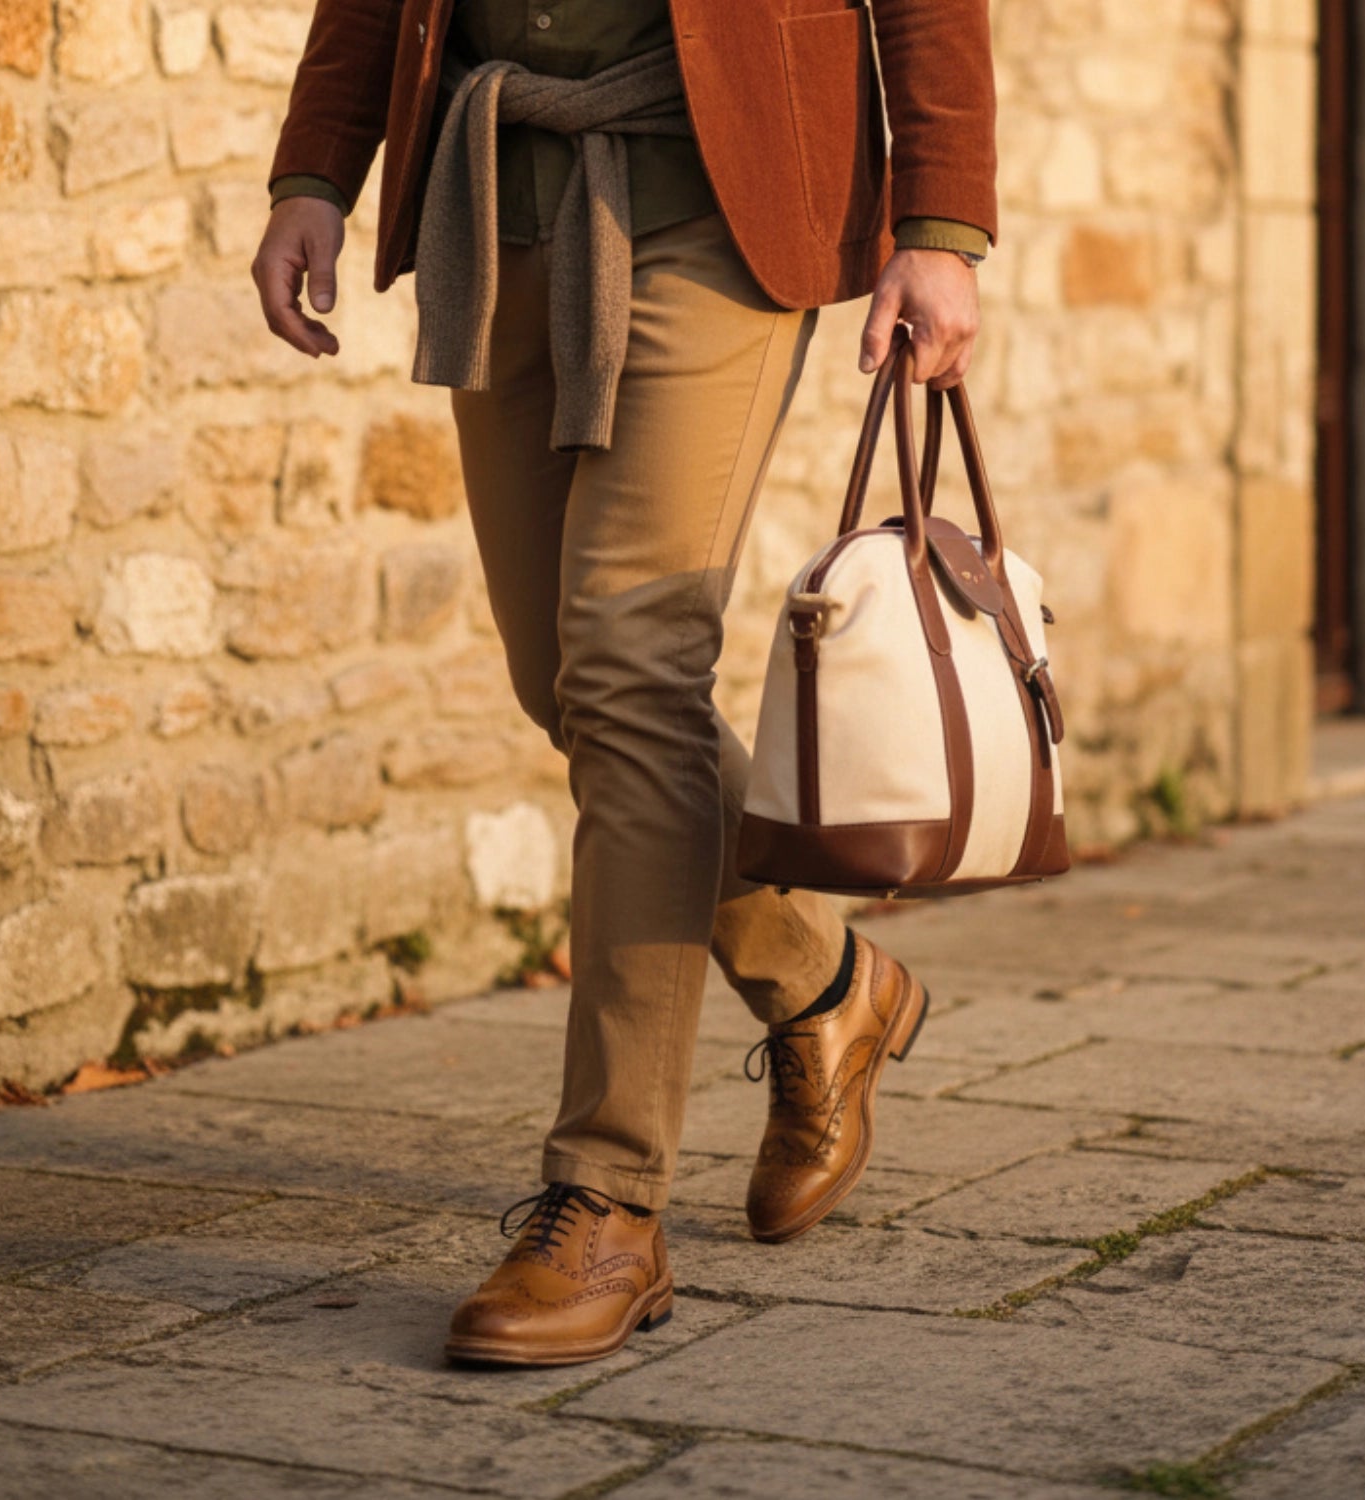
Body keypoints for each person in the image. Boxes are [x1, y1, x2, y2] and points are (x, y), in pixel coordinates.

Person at [254, 0, 996, 1368]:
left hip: (721, 198)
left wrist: (939, 223)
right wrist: (316, 171)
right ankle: (830, 982)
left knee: (633, 662)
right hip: (495, 193)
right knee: (569, 683)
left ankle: (608, 1201)